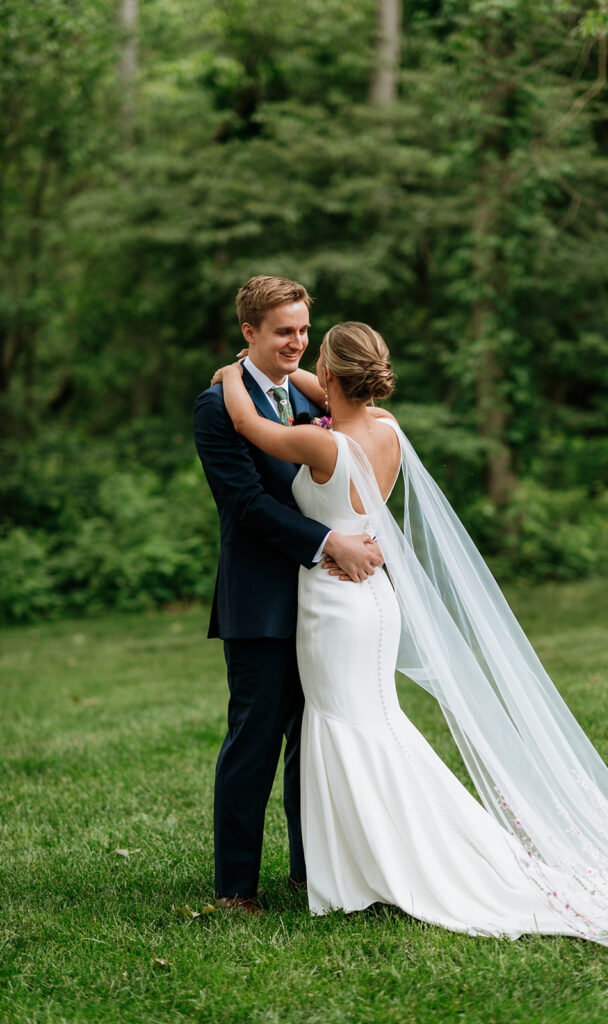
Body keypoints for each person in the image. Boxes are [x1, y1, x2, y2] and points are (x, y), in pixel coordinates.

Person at [211, 319, 608, 964]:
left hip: (336, 603)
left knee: (342, 725)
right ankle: (353, 859)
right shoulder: (389, 431)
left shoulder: (322, 446)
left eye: (314, 351)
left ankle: (369, 863)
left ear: (331, 378)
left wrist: (234, 375)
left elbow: (250, 427)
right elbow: (321, 397)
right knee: (370, 723)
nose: (306, 361)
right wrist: (289, 369)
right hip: (376, 598)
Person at [193, 278, 382, 914]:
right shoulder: (218, 408)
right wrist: (331, 541)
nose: (297, 342)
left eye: (304, 330)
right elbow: (245, 506)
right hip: (263, 602)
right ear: (249, 332)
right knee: (255, 740)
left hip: (325, 604)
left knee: (315, 741)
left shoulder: (312, 398)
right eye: (283, 331)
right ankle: (236, 888)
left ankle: (312, 871)